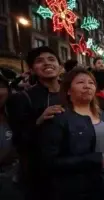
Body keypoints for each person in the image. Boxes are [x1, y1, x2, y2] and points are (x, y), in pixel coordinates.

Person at [38, 68, 104, 200]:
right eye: (80, 82)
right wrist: (93, 159)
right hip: (73, 189)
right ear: (68, 90)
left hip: (102, 183)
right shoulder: (59, 117)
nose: (87, 86)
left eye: (91, 83)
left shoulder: (101, 114)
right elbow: (49, 161)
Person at [5, 46, 63, 200]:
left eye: (51, 59)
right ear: (31, 69)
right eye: (39, 61)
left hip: (76, 170)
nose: (46, 63)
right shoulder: (22, 98)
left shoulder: (73, 92)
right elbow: (19, 140)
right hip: (42, 177)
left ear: (60, 67)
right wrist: (39, 120)